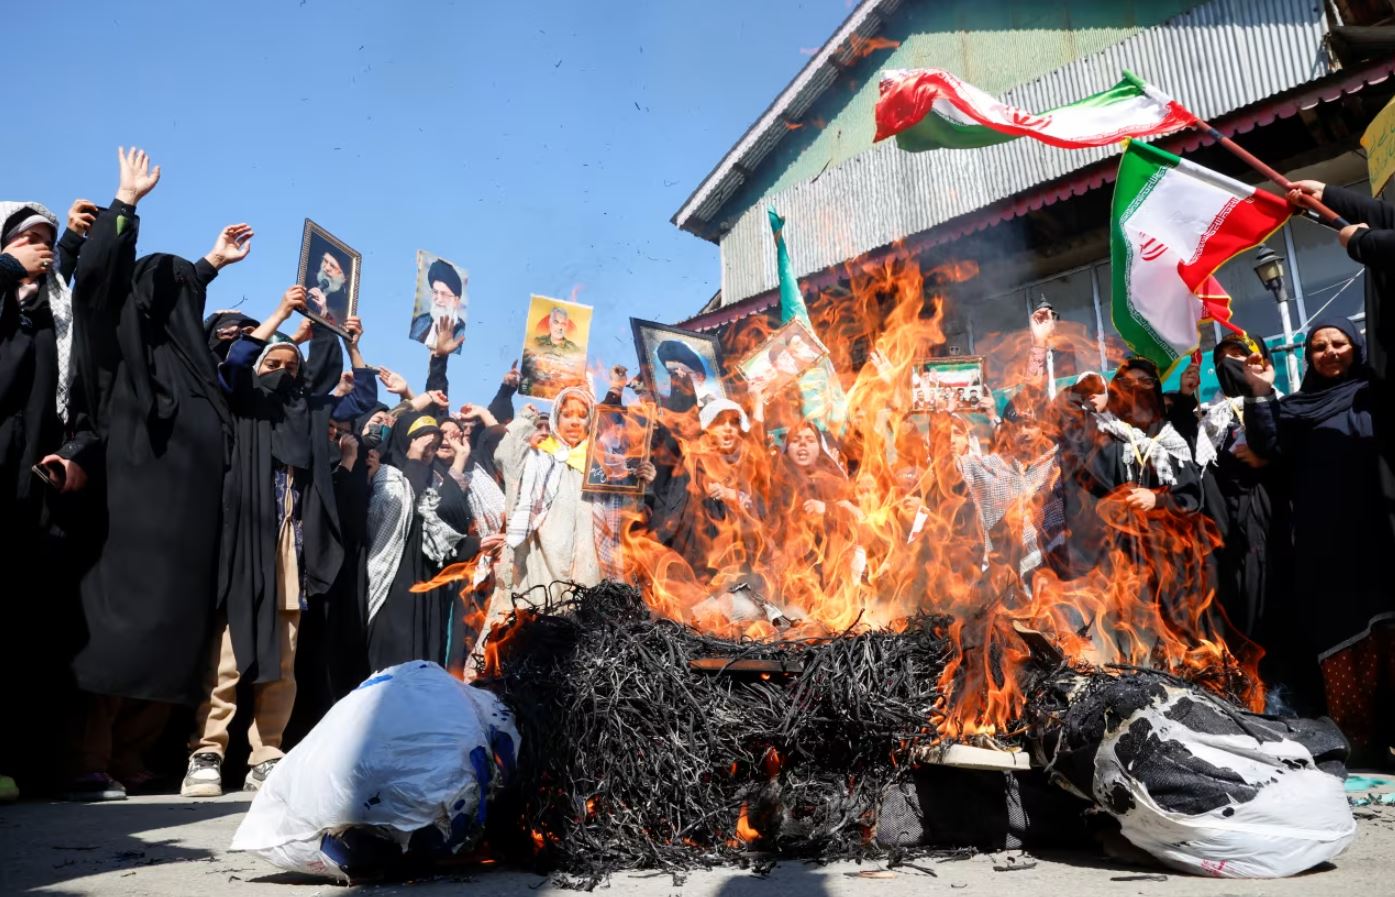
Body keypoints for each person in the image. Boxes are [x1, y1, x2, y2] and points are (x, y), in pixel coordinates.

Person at [63, 148, 251, 800]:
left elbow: (178, 292)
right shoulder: (122, 354)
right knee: (120, 634)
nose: (179, 299)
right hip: (130, 528)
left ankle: (138, 755)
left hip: (189, 534)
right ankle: (92, 756)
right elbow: (96, 287)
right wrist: (125, 204)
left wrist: (211, 264)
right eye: (169, 291)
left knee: (174, 642)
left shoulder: (193, 365)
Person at [181, 286, 375, 797]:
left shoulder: (307, 413)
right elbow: (235, 364)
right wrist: (281, 315)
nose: (283, 372)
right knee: (228, 650)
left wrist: (345, 341)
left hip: (291, 540)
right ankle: (207, 751)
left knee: (284, 652)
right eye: (276, 363)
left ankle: (266, 751)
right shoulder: (244, 404)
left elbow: (361, 397)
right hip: (244, 535)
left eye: (292, 366)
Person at [1241, 317, 1395, 764]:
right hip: (1325, 542)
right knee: (1342, 634)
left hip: (1381, 532)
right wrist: (1260, 390)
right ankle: (1359, 741)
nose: (1329, 352)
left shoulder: (1375, 394)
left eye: (1338, 344)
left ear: (1357, 347)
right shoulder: (1296, 408)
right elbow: (1267, 443)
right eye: (1319, 347)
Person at [366, 409, 490, 672]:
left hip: (425, 588)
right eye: (422, 442)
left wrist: (479, 544)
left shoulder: (434, 482)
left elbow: (438, 535)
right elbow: (391, 513)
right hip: (392, 584)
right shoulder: (385, 474)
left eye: (433, 447)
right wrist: (414, 461)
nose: (429, 451)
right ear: (404, 439)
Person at [520, 306, 584, 397]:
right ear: (550, 323)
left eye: (563, 324)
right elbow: (526, 376)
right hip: (536, 393)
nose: (559, 327)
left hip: (560, 397)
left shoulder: (575, 351)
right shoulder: (535, 344)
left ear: (566, 327)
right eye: (556, 322)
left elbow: (577, 380)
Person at [409, 258, 467, 353]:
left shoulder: (461, 332)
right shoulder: (419, 322)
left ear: (456, 300)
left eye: (444, 294)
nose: (438, 299)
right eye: (435, 292)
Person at [306, 246, 350, 326]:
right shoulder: (306, 279)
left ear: (345, 278)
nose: (326, 268)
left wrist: (324, 314)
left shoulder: (343, 307)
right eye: (325, 261)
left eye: (333, 266)